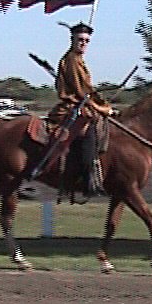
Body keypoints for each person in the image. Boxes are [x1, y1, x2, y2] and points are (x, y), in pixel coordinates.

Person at [48, 21, 112, 196]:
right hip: (72, 106)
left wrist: (103, 104)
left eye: (87, 40)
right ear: (72, 40)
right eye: (80, 39)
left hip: (81, 103)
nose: (83, 43)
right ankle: (86, 178)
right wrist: (102, 108)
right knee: (88, 130)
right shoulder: (72, 60)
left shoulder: (79, 60)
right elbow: (83, 90)